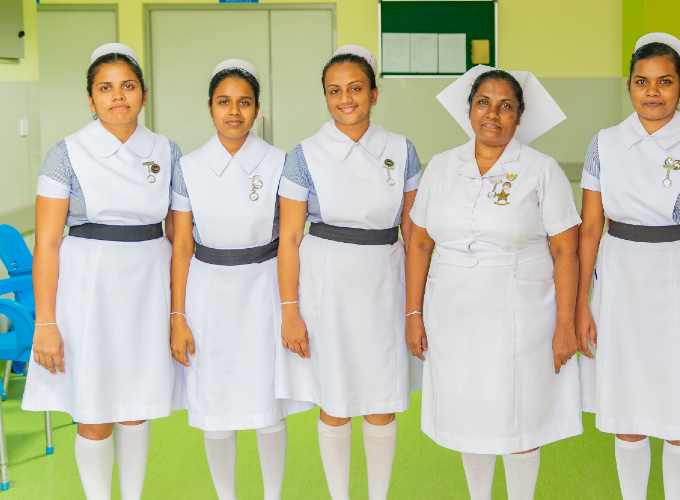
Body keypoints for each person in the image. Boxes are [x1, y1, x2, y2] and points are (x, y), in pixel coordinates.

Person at [576, 33, 680, 500]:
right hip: (620, 279)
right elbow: (590, 229)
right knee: (627, 408)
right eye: (642, 82)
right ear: (628, 86)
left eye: (664, 82)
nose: (653, 92)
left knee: (679, 406)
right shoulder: (605, 144)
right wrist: (581, 305)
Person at [404, 65, 582, 500]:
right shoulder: (443, 167)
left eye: (506, 107)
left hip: (519, 314)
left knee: (520, 415)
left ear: (519, 117)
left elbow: (565, 250)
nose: (493, 115)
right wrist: (413, 313)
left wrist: (565, 324)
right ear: (469, 111)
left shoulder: (541, 170)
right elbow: (421, 244)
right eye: (484, 103)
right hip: (453, 312)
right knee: (470, 416)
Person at [23, 43, 179, 500]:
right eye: (105, 89)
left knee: (135, 406)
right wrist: (46, 323)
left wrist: (178, 311)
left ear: (143, 96)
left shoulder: (167, 151)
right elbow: (48, 244)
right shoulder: (67, 154)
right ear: (90, 99)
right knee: (94, 409)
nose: (118, 97)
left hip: (148, 286)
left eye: (128, 87)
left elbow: (180, 235)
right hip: (87, 288)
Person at [274, 45, 420, 500]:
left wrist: (416, 308)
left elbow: (415, 236)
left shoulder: (401, 150)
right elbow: (290, 240)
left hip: (384, 281)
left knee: (380, 398)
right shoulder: (305, 154)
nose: (345, 99)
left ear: (374, 94)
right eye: (334, 91)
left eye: (355, 88)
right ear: (325, 97)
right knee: (334, 399)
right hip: (326, 284)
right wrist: (291, 311)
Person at [169, 59, 306, 500]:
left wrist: (290, 308)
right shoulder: (188, 166)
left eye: (244, 102)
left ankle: (272, 494)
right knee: (215, 405)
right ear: (209, 107)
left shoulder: (278, 162)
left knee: (267, 405)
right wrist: (178, 314)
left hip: (263, 288)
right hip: (207, 290)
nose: (234, 111)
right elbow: (183, 245)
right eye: (224, 102)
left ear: (258, 110)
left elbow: (290, 237)